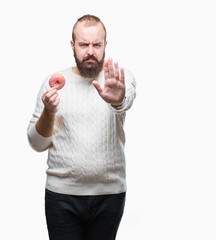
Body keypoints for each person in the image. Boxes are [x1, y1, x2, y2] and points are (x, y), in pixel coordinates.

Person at [27, 14, 136, 240]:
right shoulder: (52, 85)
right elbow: (37, 144)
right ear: (72, 45)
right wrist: (49, 111)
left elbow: (126, 101)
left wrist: (117, 100)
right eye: (83, 44)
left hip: (110, 194)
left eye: (97, 45)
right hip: (62, 195)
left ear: (105, 45)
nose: (90, 51)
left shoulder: (119, 79)